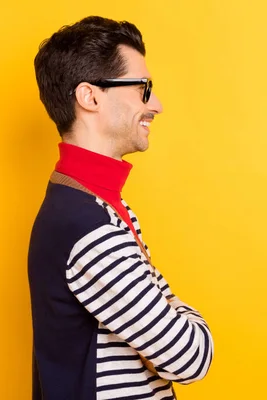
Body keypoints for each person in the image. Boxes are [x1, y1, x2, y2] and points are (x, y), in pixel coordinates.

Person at [28, 16, 214, 400]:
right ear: (90, 96)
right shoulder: (85, 225)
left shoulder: (97, 205)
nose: (156, 105)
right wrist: (181, 316)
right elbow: (191, 356)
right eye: (144, 88)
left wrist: (166, 311)